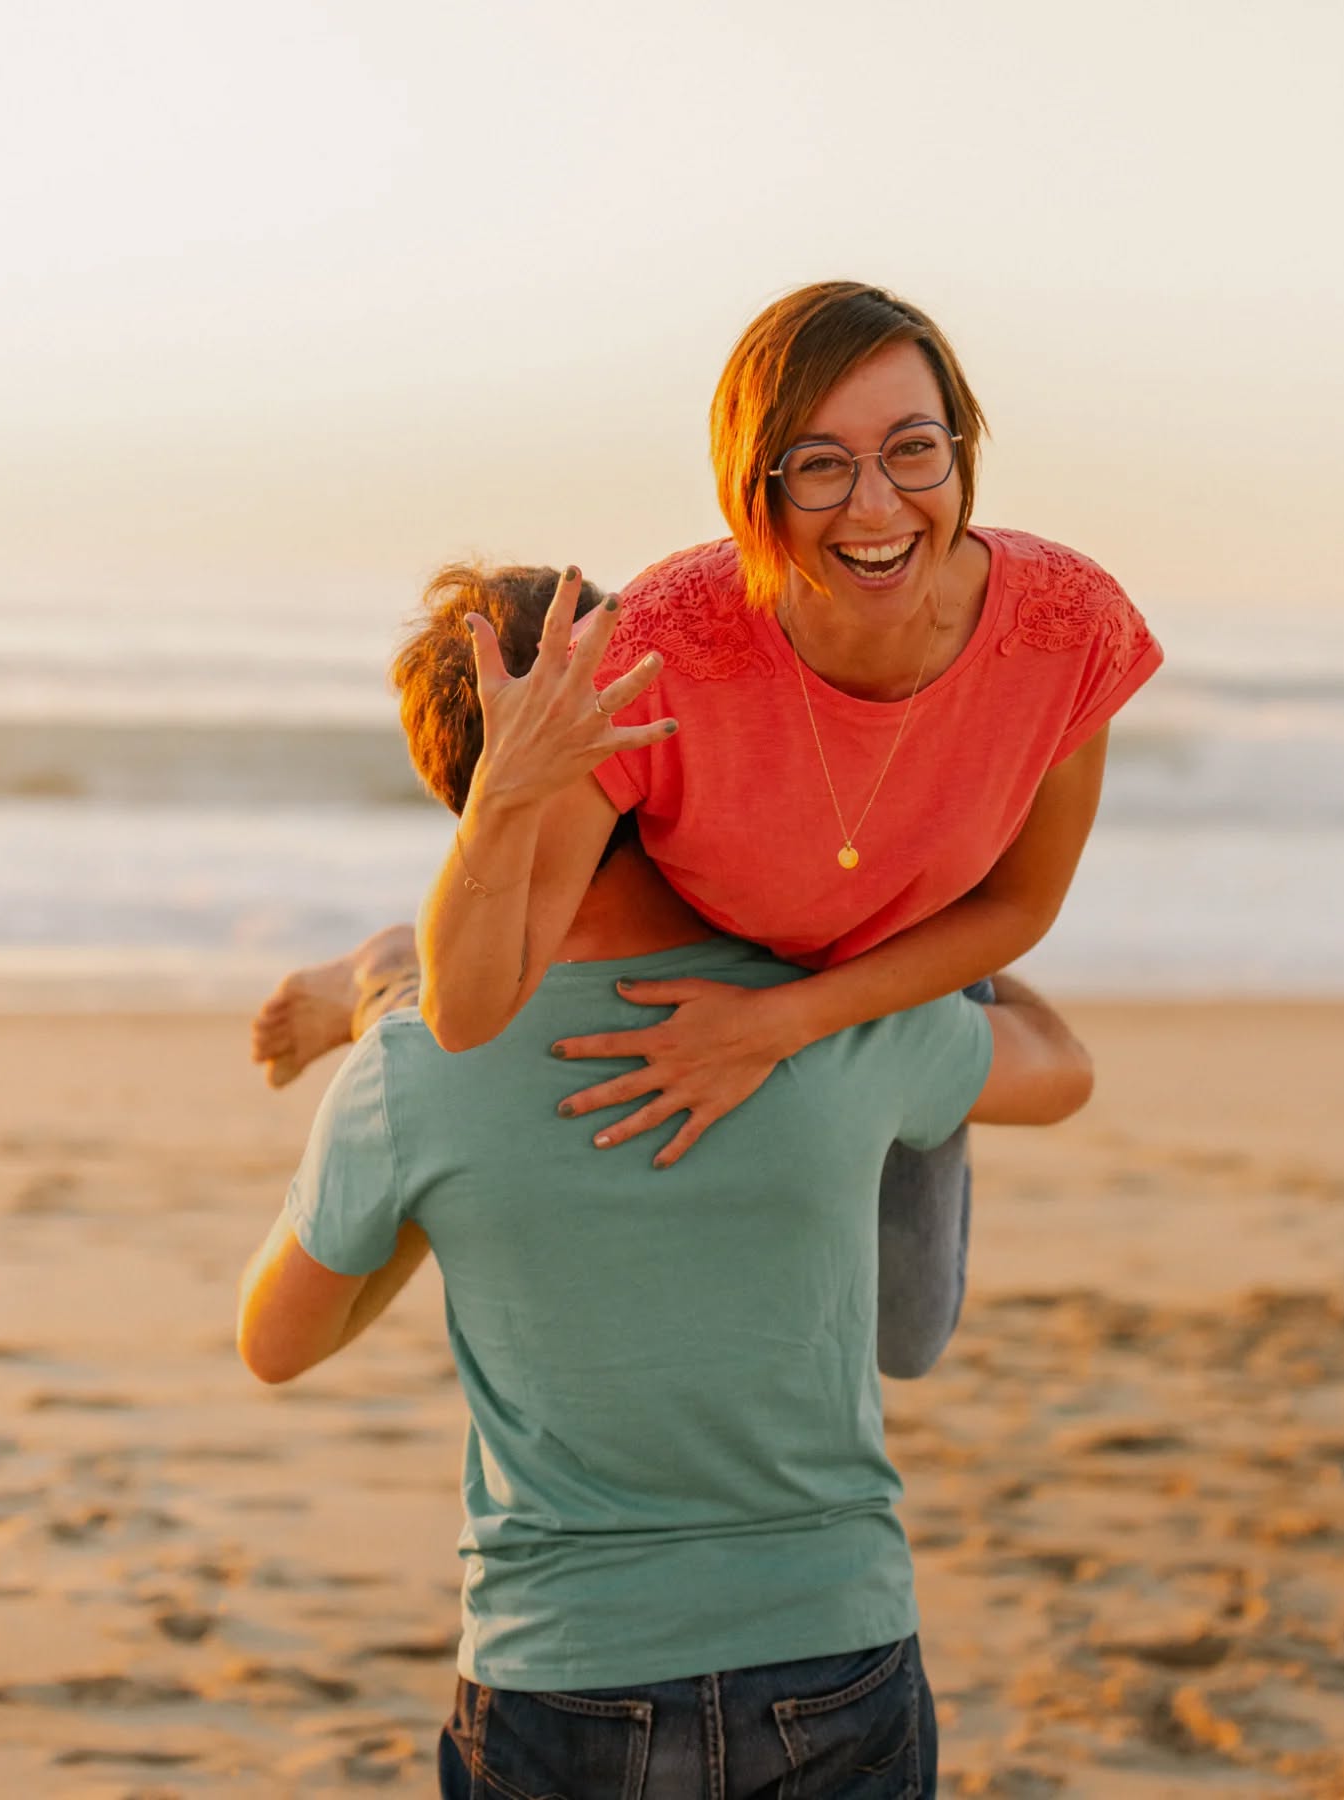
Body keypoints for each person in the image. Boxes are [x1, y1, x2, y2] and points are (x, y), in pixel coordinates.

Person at [238, 568, 1094, 1797]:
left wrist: (435, 1180)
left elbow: (276, 1342)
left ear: (454, 787)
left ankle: (380, 962)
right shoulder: (817, 1012)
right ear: (677, 723)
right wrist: (896, 937)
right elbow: (1061, 1070)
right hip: (832, 1649)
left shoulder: (416, 1069)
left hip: (558, 1672)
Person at [256, 280, 1160, 1375]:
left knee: (904, 1335)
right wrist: (499, 804)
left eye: (914, 448)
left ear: (961, 450)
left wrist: (790, 1025)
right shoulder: (659, 646)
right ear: (754, 486)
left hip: (910, 945)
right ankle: (386, 971)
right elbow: (468, 1015)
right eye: (821, 464)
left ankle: (932, 1001)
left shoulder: (1069, 626)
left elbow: (1020, 903)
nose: (875, 506)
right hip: (707, 927)